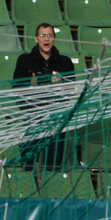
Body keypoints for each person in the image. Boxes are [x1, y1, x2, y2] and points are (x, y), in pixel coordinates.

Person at [11, 23, 76, 167]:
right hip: (32, 119)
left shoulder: (65, 62)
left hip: (56, 120)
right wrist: (30, 86)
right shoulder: (24, 60)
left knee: (53, 166)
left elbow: (71, 91)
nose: (46, 39)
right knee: (28, 165)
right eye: (42, 36)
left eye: (49, 36)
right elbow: (16, 88)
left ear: (54, 39)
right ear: (36, 39)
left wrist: (60, 85)